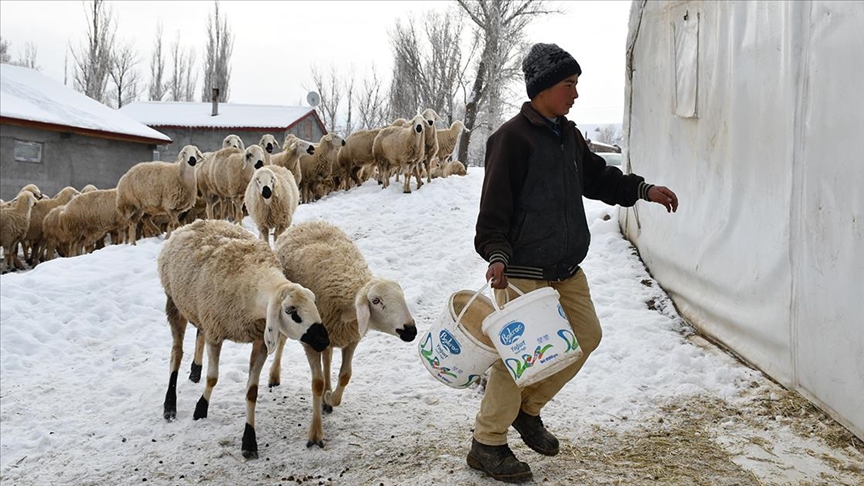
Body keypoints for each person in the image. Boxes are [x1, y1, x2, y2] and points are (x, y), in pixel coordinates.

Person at [469, 43, 679, 483]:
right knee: (518, 359)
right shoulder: (511, 139)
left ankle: (528, 410)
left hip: (565, 268)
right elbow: (493, 213)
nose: (575, 94)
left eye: (576, 85)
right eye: (569, 85)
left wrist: (643, 190)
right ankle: (487, 443)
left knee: (585, 337)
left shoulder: (567, 135)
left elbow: (598, 177)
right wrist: (498, 255)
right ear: (543, 87)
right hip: (523, 269)